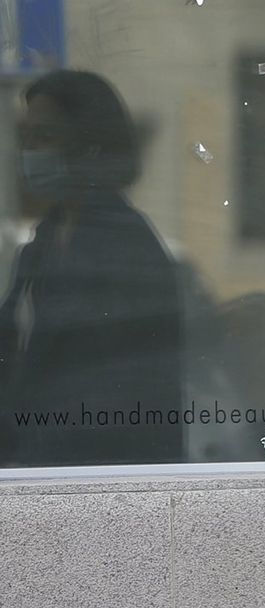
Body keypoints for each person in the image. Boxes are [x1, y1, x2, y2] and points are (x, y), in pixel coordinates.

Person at [0, 70, 183, 467]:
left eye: (44, 138)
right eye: (25, 138)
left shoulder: (123, 243)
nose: (29, 152)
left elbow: (108, 392)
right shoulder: (44, 241)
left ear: (88, 147)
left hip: (100, 479)